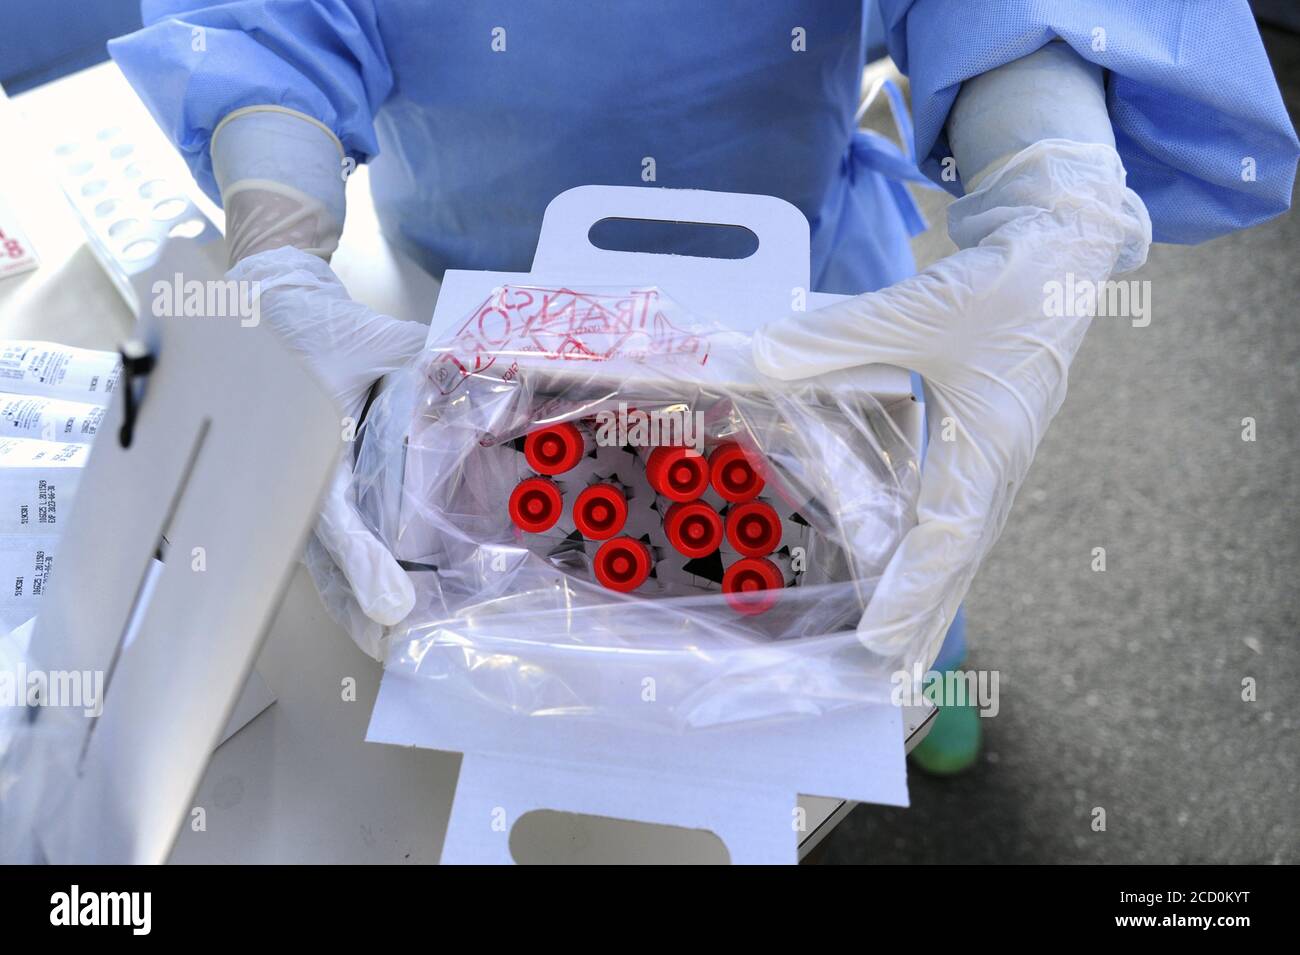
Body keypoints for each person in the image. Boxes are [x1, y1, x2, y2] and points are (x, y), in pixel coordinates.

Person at [110, 2, 1297, 773]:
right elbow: (267, 19)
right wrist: (277, 243)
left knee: (867, 533)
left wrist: (1052, 177)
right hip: (488, 283)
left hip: (803, 288)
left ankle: (931, 662)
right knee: (542, 541)